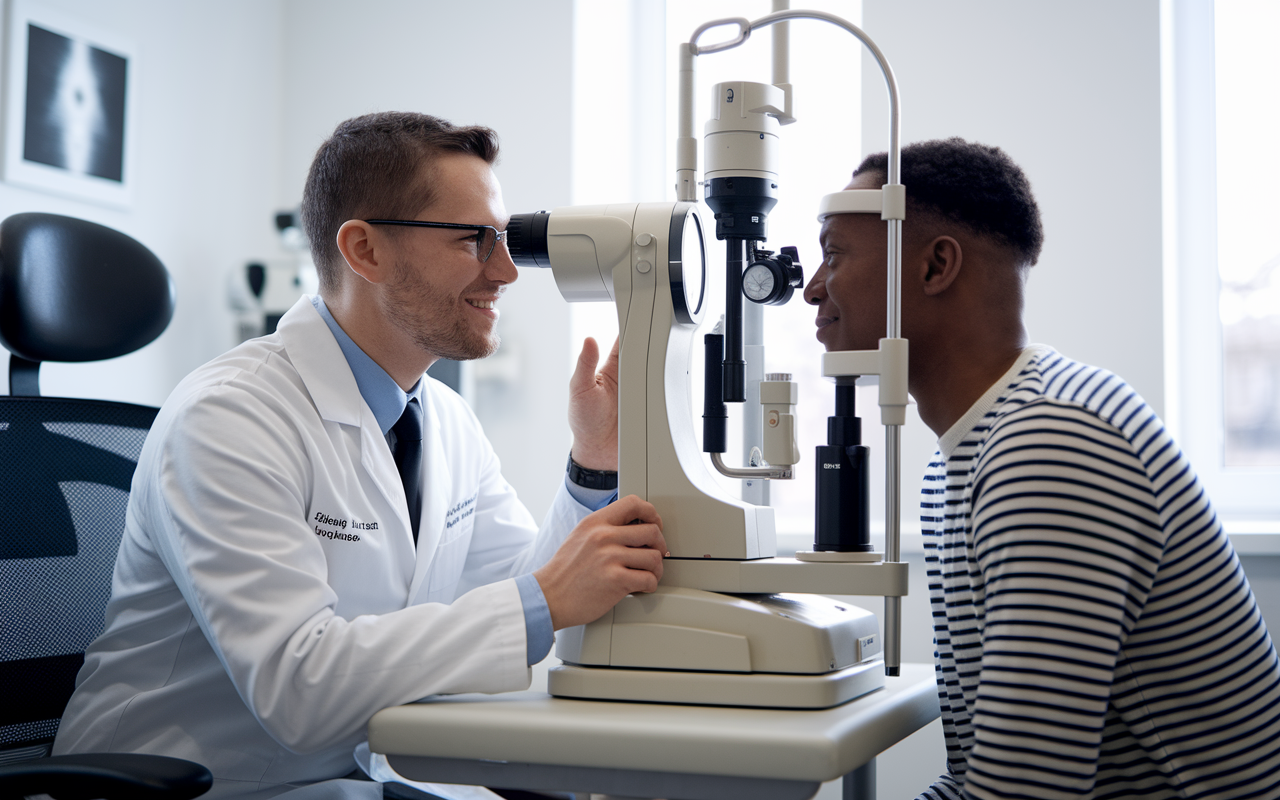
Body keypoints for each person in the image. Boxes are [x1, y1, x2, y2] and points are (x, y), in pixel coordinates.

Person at [54, 112, 668, 799]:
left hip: (346, 776)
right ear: (365, 251)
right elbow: (299, 689)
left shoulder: (446, 421)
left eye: (502, 239)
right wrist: (542, 601)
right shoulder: (229, 417)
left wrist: (593, 464)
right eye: (475, 240)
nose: (504, 271)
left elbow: (529, 586)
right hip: (183, 788)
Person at [804, 137, 1280, 799]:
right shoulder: (968, 457)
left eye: (834, 253)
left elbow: (1020, 794)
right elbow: (980, 779)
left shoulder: (1052, 445)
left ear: (936, 265)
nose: (811, 288)